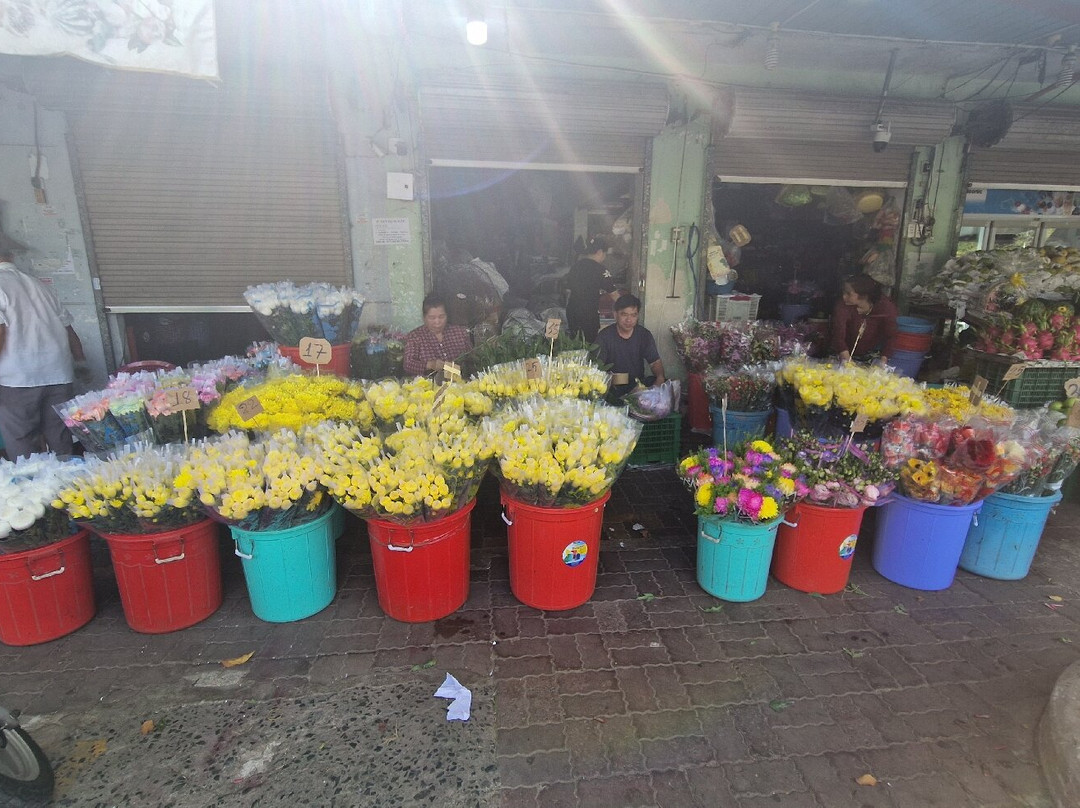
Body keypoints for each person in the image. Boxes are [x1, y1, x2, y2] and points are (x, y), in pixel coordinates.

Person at [0, 248, 85, 458]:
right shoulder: (39, 285)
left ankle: (35, 486)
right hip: (58, 373)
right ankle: (71, 486)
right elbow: (69, 330)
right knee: (60, 435)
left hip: (18, 378)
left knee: (22, 439)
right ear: (11, 256)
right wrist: (81, 363)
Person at [596, 294, 665, 397]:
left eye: (634, 315)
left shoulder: (644, 335)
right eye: (624, 315)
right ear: (615, 315)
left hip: (638, 386)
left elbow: (655, 361)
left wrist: (660, 378)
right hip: (612, 387)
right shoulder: (604, 337)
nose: (629, 320)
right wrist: (623, 379)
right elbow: (596, 371)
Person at [829, 274, 899, 362]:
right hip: (841, 352)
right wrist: (848, 363)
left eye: (848, 293)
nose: (844, 296)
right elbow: (838, 335)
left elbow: (891, 336)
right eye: (843, 292)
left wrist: (883, 361)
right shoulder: (842, 306)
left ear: (864, 295)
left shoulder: (885, 308)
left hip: (870, 353)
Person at [403, 294, 473, 376]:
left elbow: (472, 358)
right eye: (432, 318)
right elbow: (408, 365)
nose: (437, 322)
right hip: (428, 386)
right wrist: (430, 365)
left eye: (441, 317)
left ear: (447, 315)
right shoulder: (415, 337)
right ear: (424, 318)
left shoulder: (460, 333)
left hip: (461, 384)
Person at [565, 236, 619, 343]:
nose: (604, 257)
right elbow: (614, 294)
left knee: (575, 343)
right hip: (588, 314)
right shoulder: (600, 269)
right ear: (599, 252)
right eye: (605, 254)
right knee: (589, 344)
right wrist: (626, 309)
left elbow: (567, 291)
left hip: (572, 311)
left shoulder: (575, 266)